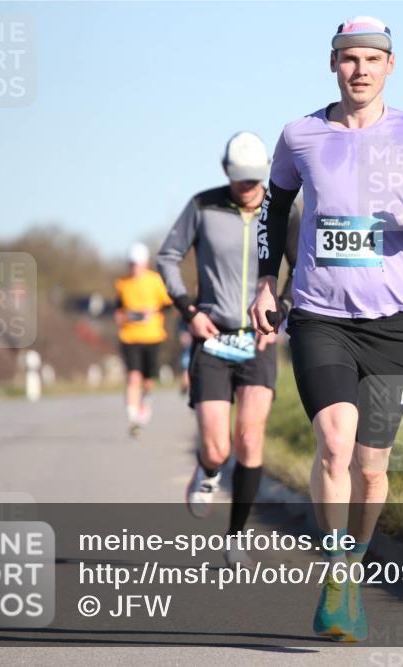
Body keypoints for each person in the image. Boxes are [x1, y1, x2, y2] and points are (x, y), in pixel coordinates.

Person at [248, 16, 403, 642]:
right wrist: (268, 280)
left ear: (390, 66)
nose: (361, 69)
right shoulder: (300, 135)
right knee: (336, 441)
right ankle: (336, 566)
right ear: (333, 64)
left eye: (374, 58)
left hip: (392, 324)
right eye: (350, 59)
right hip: (320, 316)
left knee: (373, 468)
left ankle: (352, 562)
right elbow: (275, 207)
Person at [157, 131, 297, 567]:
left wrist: (280, 315)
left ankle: (236, 535)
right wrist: (188, 310)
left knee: (251, 438)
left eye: (256, 180)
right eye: (240, 180)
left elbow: (303, 269)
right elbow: (167, 258)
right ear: (226, 173)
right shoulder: (203, 206)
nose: (249, 189)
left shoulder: (284, 213)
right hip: (213, 338)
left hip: (259, 340)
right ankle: (209, 470)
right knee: (218, 447)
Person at [114, 242, 173, 437]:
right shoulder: (122, 283)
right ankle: (133, 420)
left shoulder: (155, 280)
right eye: (131, 264)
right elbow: (118, 309)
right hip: (130, 337)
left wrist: (152, 310)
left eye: (137, 264)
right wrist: (121, 316)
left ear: (145, 263)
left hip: (152, 336)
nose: (134, 268)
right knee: (133, 377)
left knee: (148, 381)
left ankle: (145, 404)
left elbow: (168, 305)